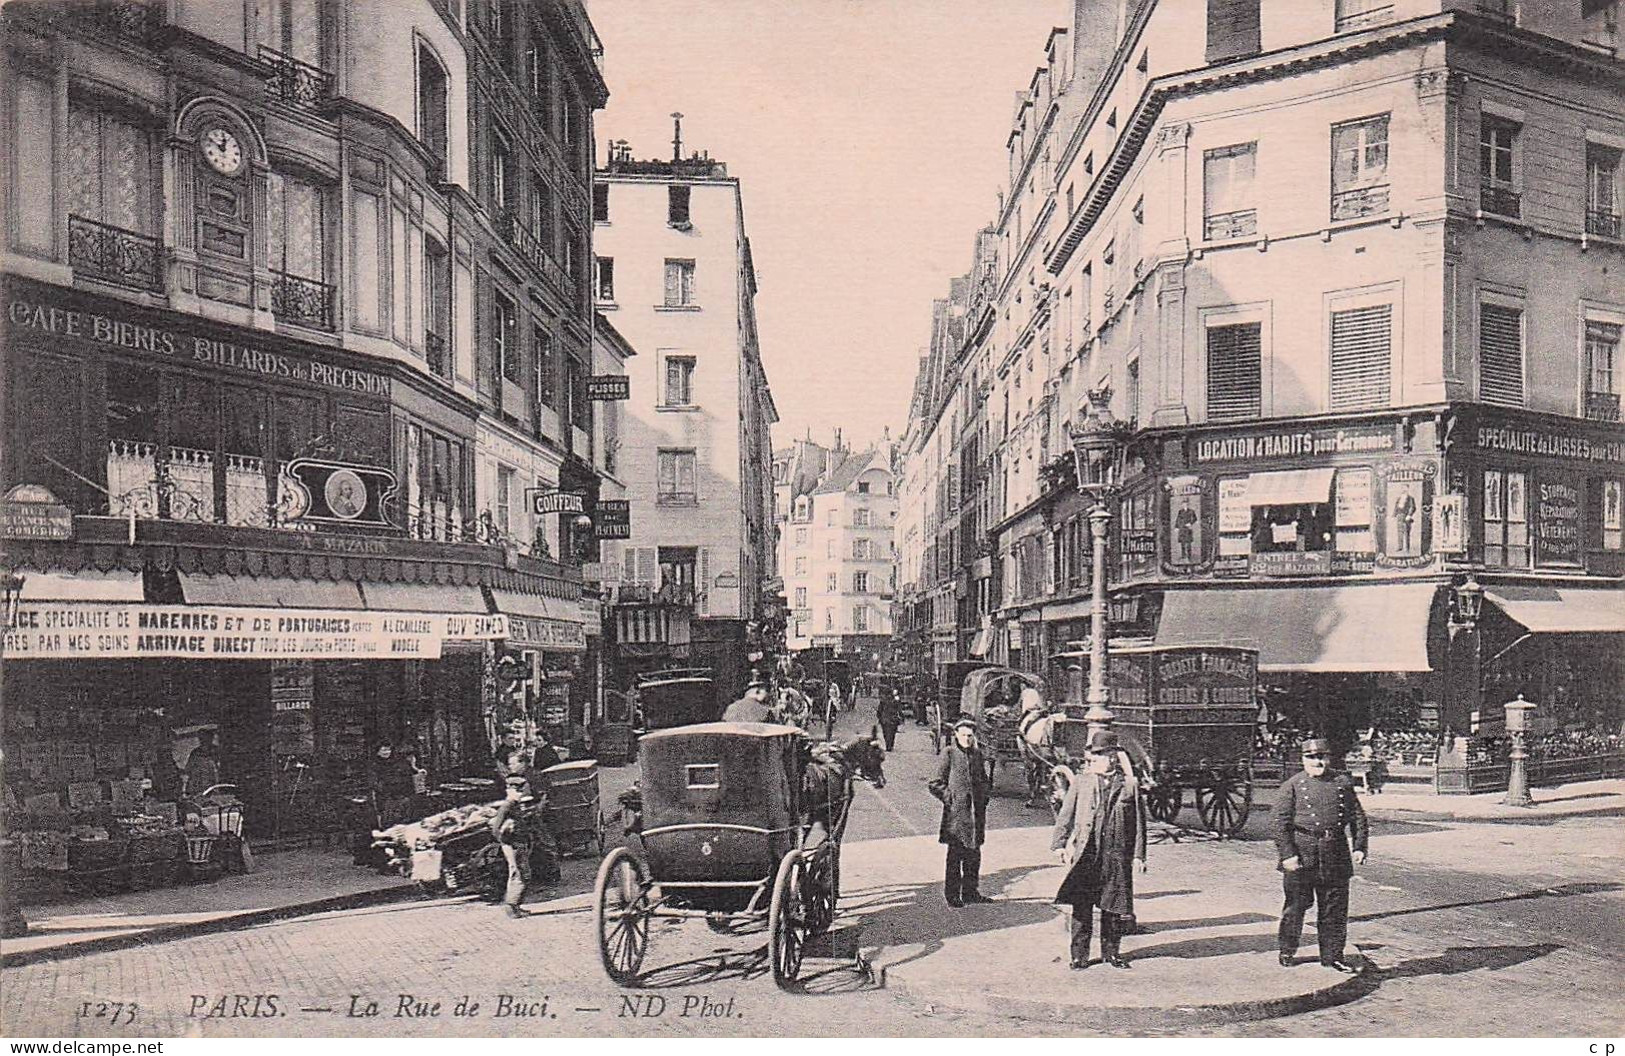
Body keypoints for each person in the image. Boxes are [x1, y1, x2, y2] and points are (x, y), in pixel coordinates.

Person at [1051, 729, 1147, 969]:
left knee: (1113, 906)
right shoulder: (1081, 783)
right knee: (1082, 906)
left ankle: (1111, 953)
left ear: (1113, 756)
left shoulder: (1129, 786)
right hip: (1088, 853)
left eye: (1101, 755)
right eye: (1094, 755)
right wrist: (1059, 844)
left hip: (1115, 855)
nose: (1095, 760)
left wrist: (1138, 855)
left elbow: (1139, 824)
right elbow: (1066, 816)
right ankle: (1079, 956)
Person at [1273, 737, 1369, 974]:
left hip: (1335, 852)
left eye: (1322, 757)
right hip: (1302, 854)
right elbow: (1279, 823)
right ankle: (1287, 949)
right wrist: (1287, 854)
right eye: (1312, 757)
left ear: (1329, 758)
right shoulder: (1293, 785)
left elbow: (1357, 817)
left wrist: (1359, 846)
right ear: (1303, 759)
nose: (1318, 762)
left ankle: (1333, 956)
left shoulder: (1342, 783)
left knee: (1334, 909)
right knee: (1296, 906)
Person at [928, 718, 992, 907]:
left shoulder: (978, 755)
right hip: (956, 817)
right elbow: (935, 783)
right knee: (955, 856)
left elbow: (984, 780)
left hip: (976, 816)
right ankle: (953, 894)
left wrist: (984, 798)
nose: (967, 739)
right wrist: (951, 799)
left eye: (970, 736)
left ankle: (971, 892)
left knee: (974, 855)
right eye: (963, 735)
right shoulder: (949, 753)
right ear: (956, 734)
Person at [491, 776, 534, 919]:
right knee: (518, 875)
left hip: (519, 844)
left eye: (521, 791)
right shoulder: (507, 806)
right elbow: (496, 829)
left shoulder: (515, 805)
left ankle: (516, 906)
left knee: (524, 874)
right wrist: (507, 841)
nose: (520, 794)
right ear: (509, 790)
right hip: (513, 845)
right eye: (517, 791)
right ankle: (511, 906)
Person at [184, 730, 221, 796]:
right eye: (202, 739)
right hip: (198, 786)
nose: (204, 741)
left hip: (213, 786)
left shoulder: (216, 751)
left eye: (206, 739)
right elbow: (188, 769)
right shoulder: (195, 753)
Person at [876, 687, 902, 752]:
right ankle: (890, 745)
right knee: (892, 733)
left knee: (886, 733)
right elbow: (899, 709)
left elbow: (879, 710)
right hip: (893, 719)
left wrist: (879, 717)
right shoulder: (895, 700)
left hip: (885, 719)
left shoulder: (883, 701)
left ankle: (888, 745)